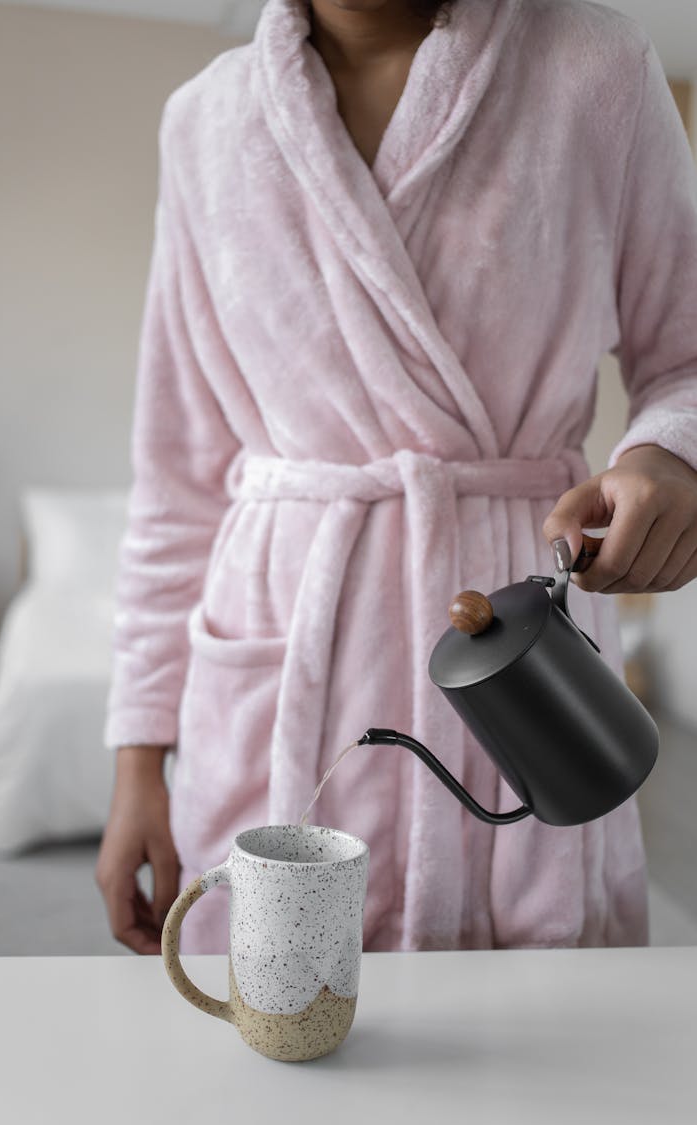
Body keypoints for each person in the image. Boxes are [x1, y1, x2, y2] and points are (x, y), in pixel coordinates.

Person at [96, 0, 697, 956]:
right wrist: (137, 765)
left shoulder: (595, 66)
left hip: (510, 638)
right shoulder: (206, 120)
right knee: (282, 1035)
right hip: (285, 633)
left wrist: (671, 452)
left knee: (543, 1066)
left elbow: (687, 358)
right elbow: (175, 476)